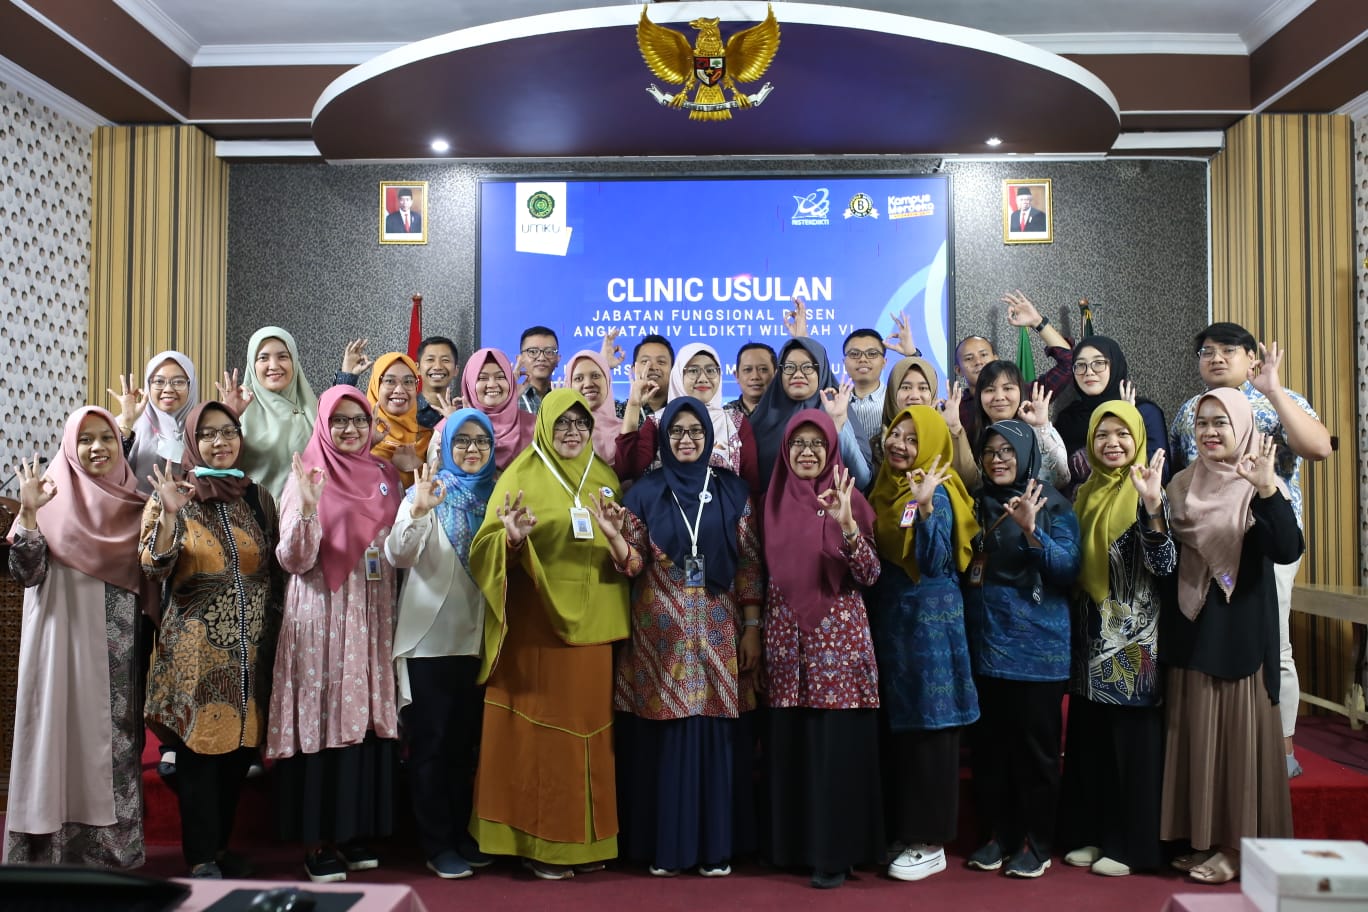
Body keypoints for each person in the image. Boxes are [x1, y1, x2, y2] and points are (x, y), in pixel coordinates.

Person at [466, 389, 631, 880]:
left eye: (580, 424)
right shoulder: (520, 475)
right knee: (537, 739)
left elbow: (624, 550)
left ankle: (584, 841)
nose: (572, 432)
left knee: (589, 738)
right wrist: (512, 540)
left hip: (594, 630)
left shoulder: (605, 478)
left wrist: (618, 538)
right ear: (543, 426)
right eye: (562, 423)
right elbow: (485, 547)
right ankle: (538, 845)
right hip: (537, 630)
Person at [596, 397, 763, 877]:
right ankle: (667, 848)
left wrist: (752, 627)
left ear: (708, 436)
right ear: (664, 438)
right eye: (676, 432)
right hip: (659, 636)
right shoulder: (644, 493)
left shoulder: (732, 491)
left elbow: (749, 563)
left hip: (718, 630)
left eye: (695, 431)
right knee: (664, 737)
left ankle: (716, 849)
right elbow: (633, 564)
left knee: (715, 735)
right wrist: (614, 537)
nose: (686, 440)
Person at [1168, 323, 1330, 779]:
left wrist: (1273, 391)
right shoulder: (1191, 410)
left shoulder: (1280, 399)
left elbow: (1319, 448)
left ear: (1251, 359)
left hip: (1265, 539)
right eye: (1207, 351)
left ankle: (1282, 748)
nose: (1216, 358)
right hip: (1203, 543)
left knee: (1273, 642)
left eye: (1228, 350)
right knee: (1209, 639)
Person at [1160, 388, 1301, 885]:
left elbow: (1287, 548)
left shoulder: (1257, 482)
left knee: (1235, 746)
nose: (1210, 432)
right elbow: (1165, 560)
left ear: (1241, 426)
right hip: (1190, 627)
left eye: (1221, 422)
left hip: (1239, 634)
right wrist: (1152, 511)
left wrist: (1266, 490)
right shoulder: (1179, 484)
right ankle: (1202, 838)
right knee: (1197, 738)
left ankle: (1236, 849)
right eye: (1202, 423)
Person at [267, 386, 405, 883]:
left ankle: (351, 831)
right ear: (324, 424)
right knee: (323, 712)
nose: (349, 429)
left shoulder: (387, 476)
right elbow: (294, 559)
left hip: (372, 615)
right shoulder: (306, 474)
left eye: (358, 420)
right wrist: (307, 508)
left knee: (361, 714)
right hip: (322, 615)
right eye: (340, 421)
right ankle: (316, 840)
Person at [4, 408, 152, 868]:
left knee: (111, 743)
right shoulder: (47, 497)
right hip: (57, 645)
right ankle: (48, 850)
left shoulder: (136, 505)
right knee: (55, 734)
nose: (97, 448)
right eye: (85, 439)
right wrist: (29, 513)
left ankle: (111, 854)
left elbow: (156, 570)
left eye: (106, 437)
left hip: (114, 649)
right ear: (70, 445)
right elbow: (26, 573)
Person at [141, 401, 279, 879]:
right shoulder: (173, 492)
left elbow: (275, 569)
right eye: (208, 434)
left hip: (250, 654)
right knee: (200, 758)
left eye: (229, 432)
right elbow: (152, 567)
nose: (220, 442)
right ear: (192, 441)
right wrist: (168, 518)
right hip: (195, 658)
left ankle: (219, 849)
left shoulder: (257, 497)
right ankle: (200, 856)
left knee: (238, 756)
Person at [762, 409, 882, 889]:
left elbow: (870, 575)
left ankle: (836, 855)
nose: (807, 452)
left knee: (835, 754)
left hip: (840, 650)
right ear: (786, 451)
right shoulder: (769, 504)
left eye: (817, 443)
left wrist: (848, 527)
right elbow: (753, 573)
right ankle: (794, 849)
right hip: (785, 648)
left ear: (832, 449)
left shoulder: (852, 499)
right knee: (794, 750)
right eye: (799, 443)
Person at [1057, 402, 1174, 877]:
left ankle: (1130, 844)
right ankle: (1091, 833)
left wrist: (1153, 507)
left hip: (1132, 644)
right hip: (1088, 638)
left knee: (1131, 747)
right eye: (1102, 434)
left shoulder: (1151, 491)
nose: (1112, 443)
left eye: (1123, 434)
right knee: (1091, 743)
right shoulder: (1084, 493)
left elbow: (1165, 565)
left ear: (1139, 439)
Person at [866, 405, 979, 883]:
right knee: (905, 734)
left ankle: (931, 842)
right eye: (897, 434)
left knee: (932, 731)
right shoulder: (885, 489)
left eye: (913, 439)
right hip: (896, 629)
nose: (900, 445)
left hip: (932, 630)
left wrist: (928, 507)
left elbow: (935, 562)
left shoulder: (941, 490)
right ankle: (907, 831)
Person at [964, 419, 1079, 879]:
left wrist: (1033, 532)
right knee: (991, 751)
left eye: (1007, 451)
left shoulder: (1053, 503)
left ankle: (1037, 841)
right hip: (986, 644)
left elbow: (1067, 568)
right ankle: (999, 835)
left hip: (1038, 650)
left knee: (1037, 753)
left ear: (1027, 453)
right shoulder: (975, 502)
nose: (998, 459)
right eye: (990, 451)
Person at [385, 410, 498, 880]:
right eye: (462, 441)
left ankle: (459, 833)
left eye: (481, 442)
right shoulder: (426, 492)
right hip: (429, 643)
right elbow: (398, 554)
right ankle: (436, 843)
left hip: (477, 644)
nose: (472, 450)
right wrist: (417, 510)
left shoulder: (497, 497)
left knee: (462, 746)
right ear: (446, 447)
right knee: (431, 747)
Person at [616, 342, 761, 493]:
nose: (703, 378)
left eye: (711, 370)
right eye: (693, 371)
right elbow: (626, 470)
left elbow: (752, 485)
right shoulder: (658, 422)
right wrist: (633, 405)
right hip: (669, 507)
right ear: (678, 375)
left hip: (727, 508)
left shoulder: (735, 422)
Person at [747, 337, 871, 491]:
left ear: (821, 371)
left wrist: (838, 425)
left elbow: (862, 479)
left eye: (807, 367)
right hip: (772, 505)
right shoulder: (763, 418)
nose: (798, 374)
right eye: (789, 367)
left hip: (829, 505)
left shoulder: (838, 409)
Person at [1054, 336, 1168, 497]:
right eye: (1080, 365)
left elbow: (1161, 474)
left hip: (1132, 505)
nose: (1089, 372)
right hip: (1075, 508)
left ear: (1114, 365)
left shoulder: (1144, 412)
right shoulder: (1068, 418)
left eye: (1099, 363)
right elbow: (1055, 477)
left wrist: (1128, 421)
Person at [953, 291, 1074, 432]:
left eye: (984, 354)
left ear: (995, 359)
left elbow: (1069, 363)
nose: (978, 362)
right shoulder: (956, 410)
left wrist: (1037, 322)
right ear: (958, 370)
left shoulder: (1026, 395)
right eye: (969, 358)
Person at [949, 359, 1068, 489]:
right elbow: (970, 485)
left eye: (1008, 388)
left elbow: (1062, 478)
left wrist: (1041, 427)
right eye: (989, 390)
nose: (999, 397)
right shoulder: (971, 434)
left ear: (1021, 391)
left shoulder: (1035, 432)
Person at [232, 326, 318, 499]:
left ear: (294, 361)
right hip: (253, 512)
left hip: (309, 512)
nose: (273, 366)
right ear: (252, 364)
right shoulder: (238, 410)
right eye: (263, 358)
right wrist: (229, 417)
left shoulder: (313, 408)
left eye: (283, 357)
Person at [124, 350, 198, 495]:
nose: (168, 389)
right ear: (148, 385)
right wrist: (126, 424)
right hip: (134, 507)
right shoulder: (128, 424)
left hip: (193, 508)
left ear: (191, 386)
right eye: (159, 381)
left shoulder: (204, 427)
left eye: (178, 382)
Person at [459, 347, 535, 470]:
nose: (492, 384)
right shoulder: (451, 427)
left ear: (510, 381)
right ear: (469, 384)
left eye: (500, 377)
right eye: (482, 378)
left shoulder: (535, 426)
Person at [366, 352, 430, 488]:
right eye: (390, 381)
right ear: (376, 385)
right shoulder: (359, 435)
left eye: (408, 382)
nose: (399, 390)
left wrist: (419, 468)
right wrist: (367, 447)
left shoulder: (430, 439)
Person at [868, 355, 939, 472]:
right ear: (893, 392)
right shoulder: (876, 446)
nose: (914, 396)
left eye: (923, 388)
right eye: (906, 387)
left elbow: (968, 478)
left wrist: (955, 427)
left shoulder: (946, 438)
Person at [564, 349, 623, 462]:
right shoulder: (560, 433)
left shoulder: (627, 431)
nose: (588, 384)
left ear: (607, 380)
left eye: (595, 376)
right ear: (569, 385)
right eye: (578, 378)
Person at [842, 328, 887, 463]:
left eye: (872, 354)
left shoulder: (895, 399)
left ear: (884, 362)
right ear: (844, 362)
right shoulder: (833, 402)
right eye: (854, 354)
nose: (862, 359)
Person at [618, 335, 674, 425]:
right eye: (645, 361)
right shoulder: (618, 413)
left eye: (661, 362)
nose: (653, 367)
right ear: (633, 369)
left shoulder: (684, 411)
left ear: (673, 370)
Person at [415, 336, 461, 429]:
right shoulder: (406, 409)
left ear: (456, 370)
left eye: (445, 360)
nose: (438, 367)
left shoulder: (462, 413)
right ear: (417, 368)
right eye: (430, 360)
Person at [516, 326, 560, 414]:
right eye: (533, 352)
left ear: (557, 359)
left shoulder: (564, 399)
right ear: (520, 359)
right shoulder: (511, 400)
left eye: (549, 352)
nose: (541, 358)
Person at [727, 342, 777, 416]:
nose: (755, 376)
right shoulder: (724, 415)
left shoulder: (789, 413)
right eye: (747, 369)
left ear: (776, 375)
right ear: (736, 376)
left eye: (763, 369)